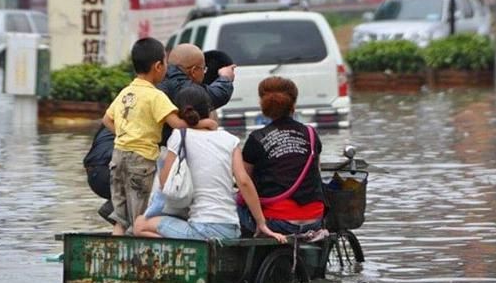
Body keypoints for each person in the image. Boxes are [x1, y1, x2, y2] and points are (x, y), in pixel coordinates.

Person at [84, 45, 236, 223]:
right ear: (194, 71)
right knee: (174, 186)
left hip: (101, 166)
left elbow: (106, 119)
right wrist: (225, 79)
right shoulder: (170, 89)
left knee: (160, 177)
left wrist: (128, 136)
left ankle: (119, 213)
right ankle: (136, 223)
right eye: (203, 70)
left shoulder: (138, 88)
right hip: (120, 166)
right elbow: (208, 100)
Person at [134, 86, 287, 243]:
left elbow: (166, 183)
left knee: (140, 225)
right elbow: (244, 181)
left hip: (202, 229)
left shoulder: (179, 136)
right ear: (209, 111)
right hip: (231, 228)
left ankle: (182, 259)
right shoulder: (229, 139)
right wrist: (261, 223)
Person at [238, 77, 325, 235]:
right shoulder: (311, 134)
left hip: (278, 222)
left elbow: (244, 180)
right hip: (315, 219)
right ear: (293, 104)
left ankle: (248, 258)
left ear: (262, 104)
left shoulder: (256, 139)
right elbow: (316, 173)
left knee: (236, 204)